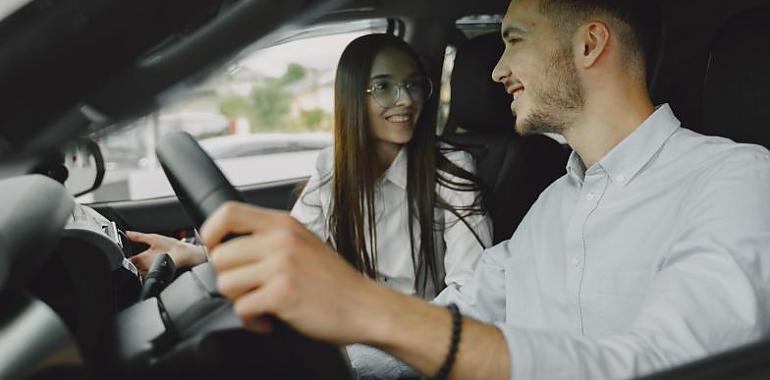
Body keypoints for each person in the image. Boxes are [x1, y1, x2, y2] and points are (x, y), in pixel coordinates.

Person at [199, 0, 770, 379]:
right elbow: (466, 307)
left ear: (590, 44)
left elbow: (665, 364)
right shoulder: (554, 203)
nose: (495, 71)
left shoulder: (735, 179)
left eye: (513, 41)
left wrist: (370, 310)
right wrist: (330, 358)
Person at [127, 34, 492, 300]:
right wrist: (199, 254)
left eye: (414, 85)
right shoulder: (334, 167)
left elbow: (472, 293)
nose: (407, 99)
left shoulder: (451, 171)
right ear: (352, 96)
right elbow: (294, 244)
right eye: (384, 86)